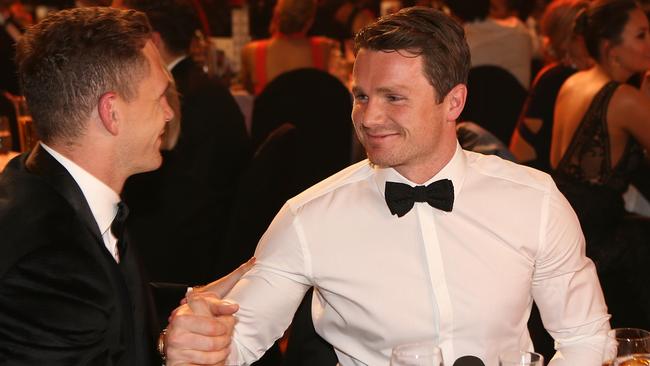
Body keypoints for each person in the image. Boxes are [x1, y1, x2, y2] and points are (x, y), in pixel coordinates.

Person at [165, 7, 612, 365]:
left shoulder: (533, 200)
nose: (368, 117)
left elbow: (585, 336)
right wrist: (192, 345)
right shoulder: (310, 216)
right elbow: (236, 343)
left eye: (393, 98)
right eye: (361, 96)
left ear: (453, 101)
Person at [0, 7, 238, 364]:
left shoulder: (46, 182)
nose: (169, 113)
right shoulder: (47, 262)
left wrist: (197, 294)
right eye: (159, 96)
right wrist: (171, 355)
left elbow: (109, 296)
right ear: (112, 112)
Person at [120, 0, 251, 288]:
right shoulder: (211, 88)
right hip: (217, 237)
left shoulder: (169, 98)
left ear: (152, 41)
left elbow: (158, 194)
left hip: (181, 255)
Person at [550, 0, 650, 330]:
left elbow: (554, 161)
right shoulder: (623, 98)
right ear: (611, 48)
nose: (649, 42)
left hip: (564, 224)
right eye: (641, 35)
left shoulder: (573, 82)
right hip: (601, 240)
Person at [509, 0, 592, 172]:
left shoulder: (556, 74)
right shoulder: (558, 78)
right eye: (584, 33)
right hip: (541, 176)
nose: (593, 38)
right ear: (566, 40)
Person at [240, 0, 340, 95]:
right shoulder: (323, 47)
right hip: (310, 112)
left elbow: (250, 91)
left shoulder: (252, 51)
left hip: (271, 112)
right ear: (310, 21)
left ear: (276, 14)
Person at [446, 0, 534, 88]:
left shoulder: (456, 45)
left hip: (467, 100)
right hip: (517, 101)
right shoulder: (521, 32)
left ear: (452, 11)